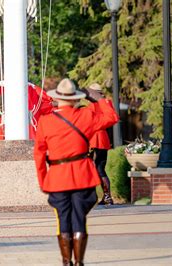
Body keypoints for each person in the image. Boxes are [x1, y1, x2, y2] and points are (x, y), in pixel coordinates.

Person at [34, 79, 119, 265]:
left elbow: (39, 154)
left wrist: (43, 181)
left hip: (57, 177)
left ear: (58, 98)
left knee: (63, 217)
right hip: (82, 175)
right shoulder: (86, 116)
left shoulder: (45, 121)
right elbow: (112, 117)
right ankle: (79, 261)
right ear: (76, 99)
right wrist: (97, 100)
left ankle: (66, 261)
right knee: (79, 217)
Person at [87, 83, 115, 206]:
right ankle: (107, 196)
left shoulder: (92, 106)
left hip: (93, 138)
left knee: (92, 169)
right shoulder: (107, 103)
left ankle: (94, 197)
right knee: (100, 169)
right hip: (102, 138)